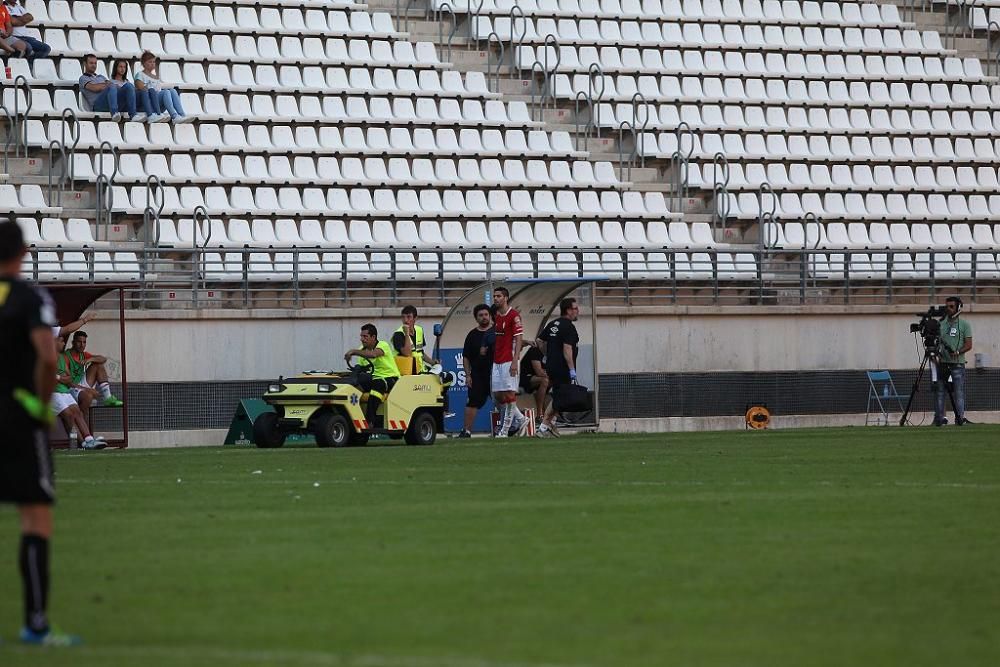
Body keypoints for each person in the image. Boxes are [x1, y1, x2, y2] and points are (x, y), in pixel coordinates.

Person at [0, 221, 81, 646]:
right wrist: (38, 402)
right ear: (24, 252)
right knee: (34, 518)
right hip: (16, 417)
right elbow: (48, 359)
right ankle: (36, 624)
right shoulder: (31, 298)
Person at [536, 297, 581, 438]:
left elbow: (539, 341)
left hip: (552, 365)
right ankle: (544, 426)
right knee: (561, 397)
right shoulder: (568, 326)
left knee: (561, 395)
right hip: (563, 367)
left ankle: (551, 424)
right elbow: (567, 350)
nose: (577, 311)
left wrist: (547, 355)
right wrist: (572, 370)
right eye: (575, 308)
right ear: (568, 310)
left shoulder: (553, 323)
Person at [53, 336, 106, 450]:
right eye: (61, 341)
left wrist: (58, 377)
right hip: (53, 393)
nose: (63, 343)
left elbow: (69, 378)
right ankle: (82, 444)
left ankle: (89, 439)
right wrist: (61, 378)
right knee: (69, 415)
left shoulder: (61, 357)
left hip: (65, 392)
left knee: (78, 413)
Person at [344, 323, 400, 428]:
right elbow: (362, 369)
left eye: (365, 336)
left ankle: (370, 421)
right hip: (373, 378)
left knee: (378, 383)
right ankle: (350, 418)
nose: (362, 339)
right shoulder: (362, 349)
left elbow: (373, 355)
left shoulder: (383, 345)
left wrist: (353, 351)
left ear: (373, 337)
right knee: (353, 385)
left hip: (390, 379)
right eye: (361, 336)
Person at [491, 286, 527, 438]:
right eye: (494, 296)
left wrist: (515, 360)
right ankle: (521, 418)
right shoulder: (498, 316)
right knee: (499, 394)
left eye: (498, 296)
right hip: (497, 360)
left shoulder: (514, 315)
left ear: (505, 298)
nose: (496, 299)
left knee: (510, 393)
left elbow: (518, 338)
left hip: (508, 359)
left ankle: (504, 430)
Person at [934, 296, 973, 427]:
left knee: (959, 392)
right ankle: (940, 419)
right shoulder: (941, 324)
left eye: (952, 306)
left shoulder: (964, 325)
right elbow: (937, 342)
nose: (949, 309)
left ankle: (959, 418)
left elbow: (969, 344)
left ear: (958, 307)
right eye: (947, 306)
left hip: (957, 363)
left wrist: (958, 352)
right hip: (943, 363)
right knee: (940, 391)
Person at [459, 303, 494, 438]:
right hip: (477, 375)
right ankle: (466, 431)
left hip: (494, 373)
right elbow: (466, 357)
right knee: (472, 402)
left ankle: (508, 428)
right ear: (476, 318)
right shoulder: (472, 335)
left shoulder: (496, 332)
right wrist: (468, 375)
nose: (484, 317)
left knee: (502, 401)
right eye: (481, 315)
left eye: (486, 315)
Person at [64, 330, 123, 408]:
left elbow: (103, 359)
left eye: (84, 342)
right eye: (79, 342)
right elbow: (67, 382)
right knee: (86, 397)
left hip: (80, 384)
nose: (82, 345)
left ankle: (107, 398)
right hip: (71, 388)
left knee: (98, 365)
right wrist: (87, 390)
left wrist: (89, 360)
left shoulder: (84, 355)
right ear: (73, 342)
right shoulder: (65, 357)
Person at [135, 51, 192, 124]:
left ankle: (181, 115)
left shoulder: (155, 77)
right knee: (166, 92)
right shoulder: (139, 75)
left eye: (153, 62)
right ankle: (174, 117)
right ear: (144, 63)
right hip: (146, 105)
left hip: (156, 104)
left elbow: (158, 91)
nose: (152, 64)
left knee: (173, 91)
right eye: (150, 62)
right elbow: (142, 90)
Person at [78, 53, 138, 122]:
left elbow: (111, 85)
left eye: (95, 63)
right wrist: (107, 85)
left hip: (109, 102)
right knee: (112, 86)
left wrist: (109, 85)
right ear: (85, 64)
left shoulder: (101, 77)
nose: (94, 65)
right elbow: (93, 87)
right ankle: (114, 113)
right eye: (91, 63)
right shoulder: (83, 78)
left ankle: (133, 115)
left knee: (129, 86)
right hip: (98, 105)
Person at [396, 305, 435, 374]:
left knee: (445, 376)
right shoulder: (398, 334)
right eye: (403, 317)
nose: (405, 320)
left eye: (408, 317)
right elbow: (407, 353)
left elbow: (420, 352)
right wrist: (407, 334)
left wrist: (432, 362)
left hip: (420, 369)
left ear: (415, 318)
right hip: (407, 371)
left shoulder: (419, 330)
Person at [109, 59, 150, 123]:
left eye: (124, 67)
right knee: (129, 86)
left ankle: (151, 112)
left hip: (126, 104)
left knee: (144, 90)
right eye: (120, 67)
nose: (122, 69)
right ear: (116, 68)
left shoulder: (127, 81)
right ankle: (133, 115)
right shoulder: (111, 81)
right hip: (118, 103)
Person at [519, 341, 549, 423]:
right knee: (545, 381)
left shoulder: (552, 353)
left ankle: (552, 414)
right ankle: (539, 414)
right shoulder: (535, 350)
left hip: (537, 378)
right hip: (524, 378)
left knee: (555, 381)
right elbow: (539, 372)